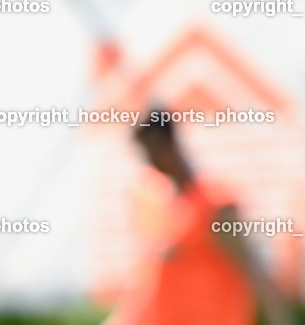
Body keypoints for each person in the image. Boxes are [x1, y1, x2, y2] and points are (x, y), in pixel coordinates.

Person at [106, 109, 292, 325]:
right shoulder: (159, 200)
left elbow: (251, 265)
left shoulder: (215, 201)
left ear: (167, 144)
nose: (149, 161)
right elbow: (149, 281)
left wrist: (280, 318)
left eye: (150, 151)